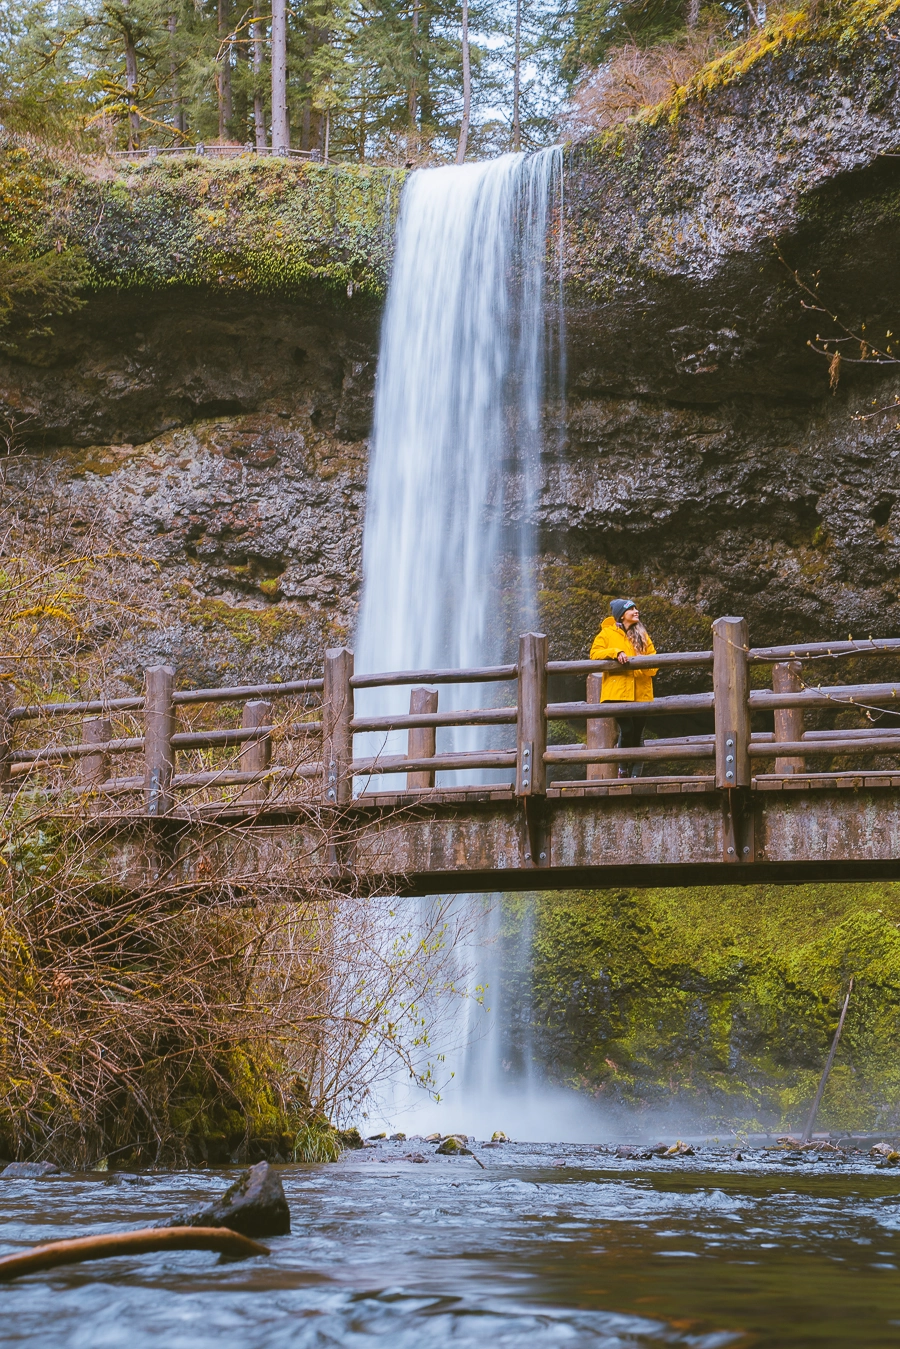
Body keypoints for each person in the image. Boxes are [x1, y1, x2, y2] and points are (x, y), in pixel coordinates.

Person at [589, 599, 658, 778]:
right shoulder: (606, 634)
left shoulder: (642, 635)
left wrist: (642, 660)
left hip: (641, 691)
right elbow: (594, 654)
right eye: (631, 609)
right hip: (618, 691)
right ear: (621, 614)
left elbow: (654, 665)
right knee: (627, 729)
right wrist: (615, 652)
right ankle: (623, 767)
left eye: (636, 608)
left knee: (638, 734)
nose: (636, 611)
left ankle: (635, 775)